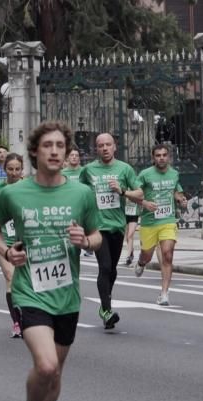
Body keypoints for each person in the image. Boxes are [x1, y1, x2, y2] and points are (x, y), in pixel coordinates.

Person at [0, 120, 102, 401]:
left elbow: (98, 235)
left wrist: (86, 241)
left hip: (66, 295)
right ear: (35, 151)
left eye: (60, 145)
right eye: (47, 145)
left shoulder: (81, 193)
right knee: (47, 366)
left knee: (56, 375)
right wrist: (7, 251)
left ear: (66, 152)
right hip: (30, 291)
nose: (54, 151)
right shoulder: (14, 194)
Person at [79, 132, 143, 329]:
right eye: (100, 145)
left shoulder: (124, 169)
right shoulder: (88, 170)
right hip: (97, 227)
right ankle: (106, 311)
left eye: (108, 144)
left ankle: (105, 301)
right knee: (105, 267)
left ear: (115, 146)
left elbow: (140, 194)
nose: (105, 148)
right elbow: (78, 193)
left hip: (117, 226)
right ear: (96, 149)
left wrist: (122, 191)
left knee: (112, 270)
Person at [133, 143, 187, 305]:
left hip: (168, 220)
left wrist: (181, 200)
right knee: (147, 255)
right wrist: (144, 203)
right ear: (153, 158)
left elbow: (177, 192)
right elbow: (133, 194)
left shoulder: (174, 174)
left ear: (169, 157)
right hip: (149, 222)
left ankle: (164, 294)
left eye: (164, 155)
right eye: (158, 155)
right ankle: (141, 262)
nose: (161, 158)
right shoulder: (145, 174)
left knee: (167, 254)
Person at [0, 152, 27, 338]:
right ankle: (17, 322)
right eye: (10, 169)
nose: (14, 173)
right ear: (4, 169)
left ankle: (28, 315)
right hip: (4, 241)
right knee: (10, 277)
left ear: (22, 169)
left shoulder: (28, 187)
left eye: (17, 169)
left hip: (25, 239)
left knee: (25, 282)